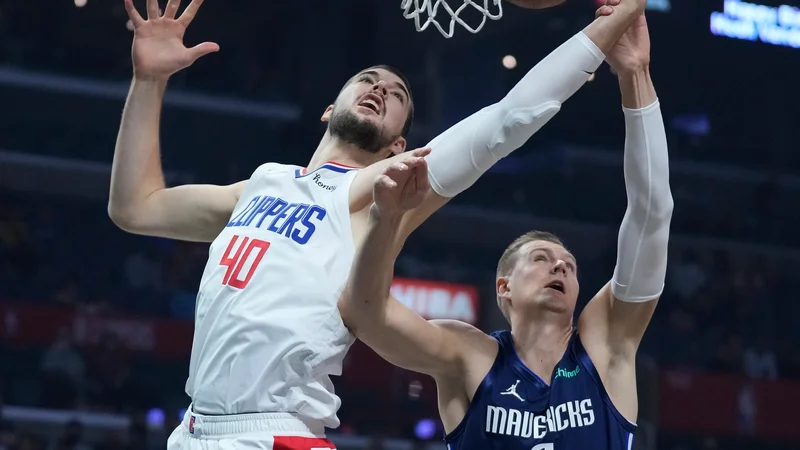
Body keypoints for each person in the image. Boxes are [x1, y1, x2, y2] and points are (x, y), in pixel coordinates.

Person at [109, 0, 646, 448]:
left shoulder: (389, 187)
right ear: (328, 109)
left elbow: (511, 118)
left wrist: (611, 24)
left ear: (398, 144)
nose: (380, 88)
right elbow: (135, 206)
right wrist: (149, 80)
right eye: (368, 80)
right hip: (194, 429)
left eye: (396, 96)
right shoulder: (259, 185)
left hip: (276, 433)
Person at [340, 10, 672, 450]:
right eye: (540, 259)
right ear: (503, 288)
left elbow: (652, 211)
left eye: (569, 266)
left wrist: (635, 74)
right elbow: (367, 315)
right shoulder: (468, 356)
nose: (559, 265)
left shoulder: (605, 345)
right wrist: (385, 224)